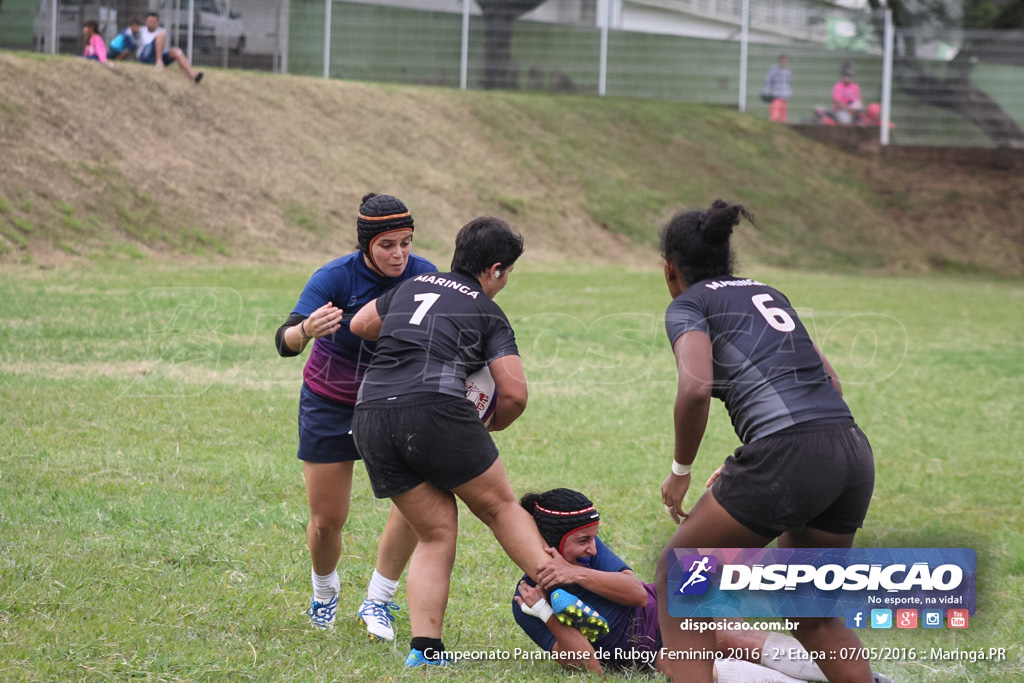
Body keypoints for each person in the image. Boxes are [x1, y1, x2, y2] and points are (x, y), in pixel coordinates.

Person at [350, 217, 609, 668]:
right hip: (437, 410)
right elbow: (514, 393)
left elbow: (360, 323)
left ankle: (426, 651)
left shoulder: (411, 286)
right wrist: (486, 428)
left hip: (370, 414)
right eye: (507, 273)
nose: (506, 282)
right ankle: (561, 589)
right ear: (494, 270)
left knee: (435, 532)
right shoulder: (489, 312)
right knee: (500, 507)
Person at [654, 199, 878, 682]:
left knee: (679, 580)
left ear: (670, 269)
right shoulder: (768, 293)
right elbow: (831, 383)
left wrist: (681, 470)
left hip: (788, 455)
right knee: (811, 612)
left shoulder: (688, 304)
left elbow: (694, 389)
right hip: (850, 449)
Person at [513, 488, 891, 682]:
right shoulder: (526, 602)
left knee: (734, 639)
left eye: (594, 538)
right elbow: (591, 665)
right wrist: (546, 611)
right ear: (551, 541)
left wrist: (574, 572)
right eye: (583, 541)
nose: (593, 547)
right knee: (697, 670)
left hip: (668, 611)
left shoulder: (587, 556)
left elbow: (633, 593)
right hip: (647, 652)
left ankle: (865, 677)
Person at [274, 193, 437, 638]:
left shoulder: (425, 275)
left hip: (393, 403)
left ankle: (378, 600)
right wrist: (306, 330)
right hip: (329, 402)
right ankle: (324, 593)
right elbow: (283, 341)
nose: (399, 254)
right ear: (367, 245)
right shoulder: (334, 277)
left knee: (417, 504)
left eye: (406, 242)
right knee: (327, 522)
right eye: (388, 245)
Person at [137, 12, 203, 83]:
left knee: (176, 51)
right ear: (146, 22)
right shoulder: (140, 31)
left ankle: (192, 75)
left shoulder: (161, 30)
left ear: (158, 22)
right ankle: (159, 62)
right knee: (161, 35)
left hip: (156, 55)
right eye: (150, 22)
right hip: (145, 57)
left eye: (154, 22)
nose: (152, 24)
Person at [761, 54, 791, 123]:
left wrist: (788, 93)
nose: (784, 63)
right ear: (780, 61)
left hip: (785, 97)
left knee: (783, 119)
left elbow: (789, 84)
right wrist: (766, 93)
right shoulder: (774, 70)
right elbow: (767, 81)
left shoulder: (788, 72)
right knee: (774, 117)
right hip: (776, 97)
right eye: (783, 61)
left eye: (786, 61)